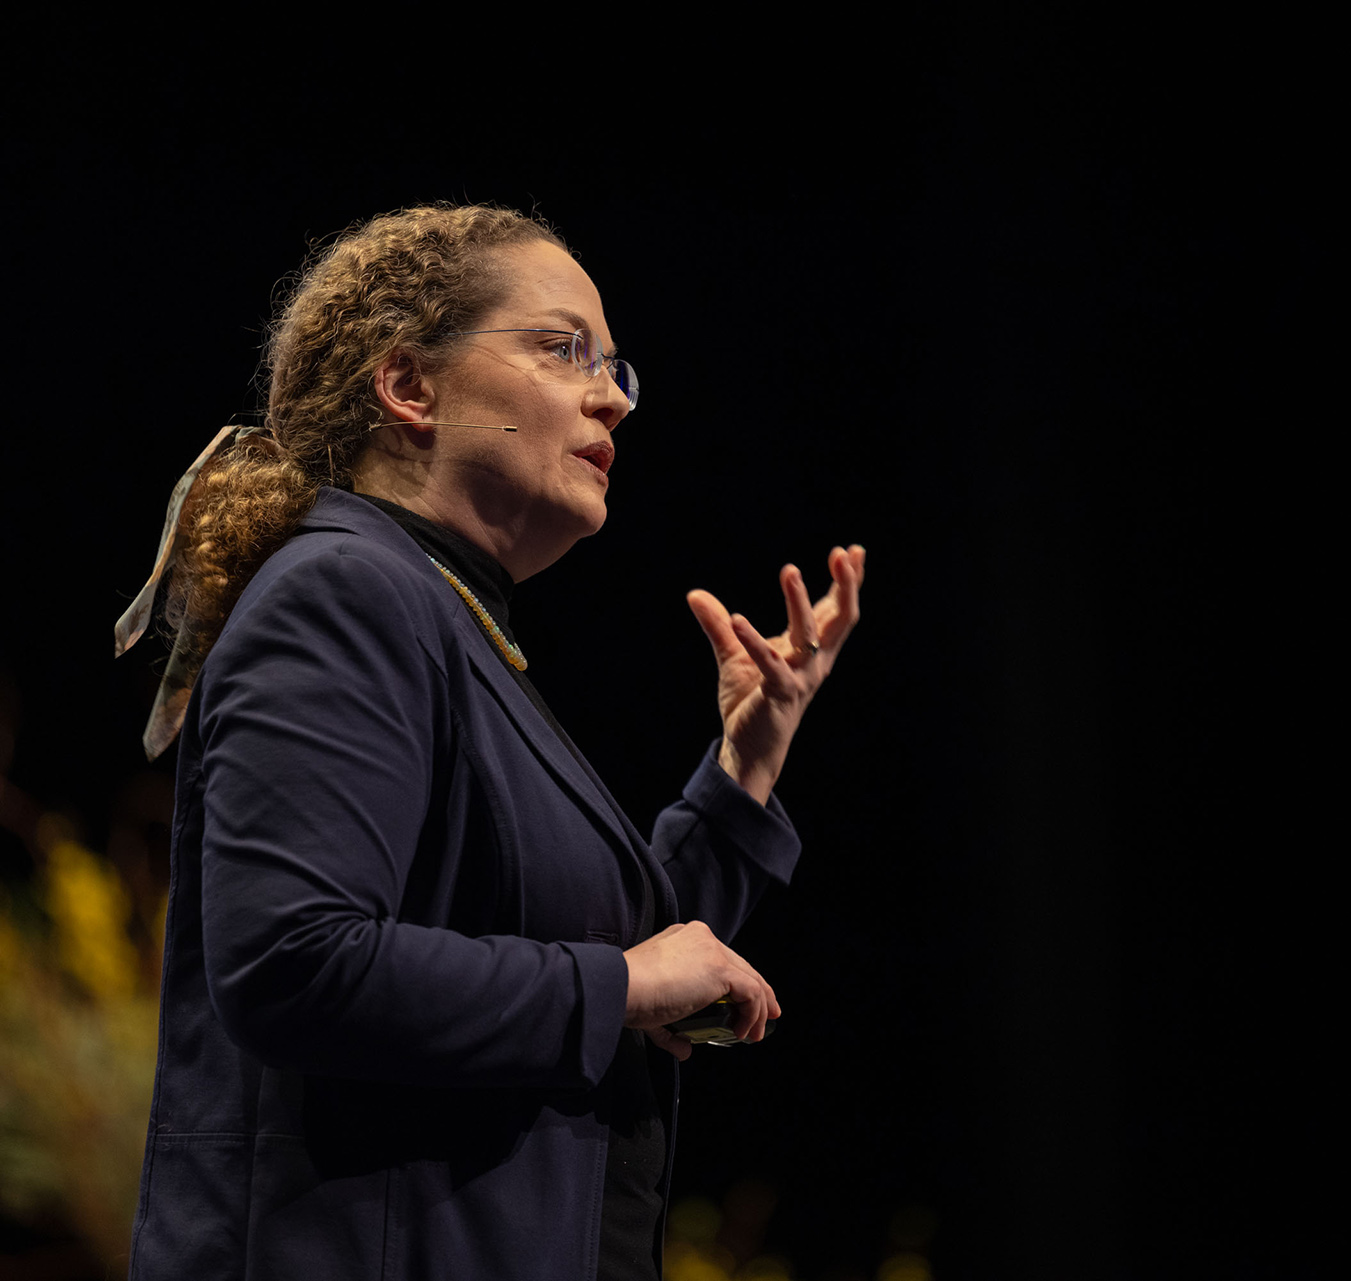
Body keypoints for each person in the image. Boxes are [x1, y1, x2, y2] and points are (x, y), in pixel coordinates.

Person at [114, 205, 865, 1281]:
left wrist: (744, 767)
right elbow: (292, 962)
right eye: (564, 349)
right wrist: (619, 986)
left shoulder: (442, 616)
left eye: (615, 367)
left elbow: (615, 954)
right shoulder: (344, 593)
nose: (612, 396)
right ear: (408, 387)